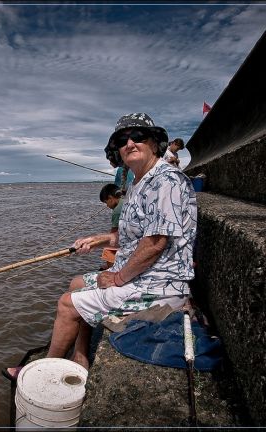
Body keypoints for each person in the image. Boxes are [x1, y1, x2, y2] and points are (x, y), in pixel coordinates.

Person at [43, 112, 197, 370]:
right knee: (76, 282)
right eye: (122, 140)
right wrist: (99, 239)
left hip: (158, 284)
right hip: (143, 275)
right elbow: (130, 236)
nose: (129, 143)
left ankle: (47, 367)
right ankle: (80, 354)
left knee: (66, 303)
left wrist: (117, 277)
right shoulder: (138, 183)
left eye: (138, 136)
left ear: (154, 143)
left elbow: (155, 243)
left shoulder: (166, 180)